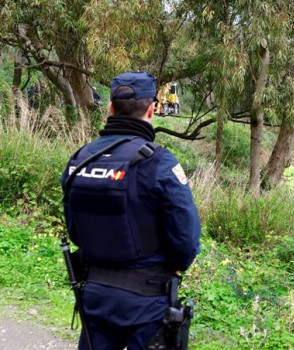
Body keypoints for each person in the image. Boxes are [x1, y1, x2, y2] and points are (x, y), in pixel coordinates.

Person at [61, 72, 201, 350]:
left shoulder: (79, 159)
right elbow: (186, 240)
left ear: (111, 108)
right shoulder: (159, 162)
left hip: (95, 294)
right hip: (147, 301)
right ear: (152, 110)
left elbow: (75, 232)